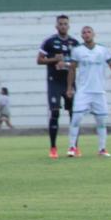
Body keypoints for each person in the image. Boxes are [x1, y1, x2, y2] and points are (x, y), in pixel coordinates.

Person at [65, 26, 111, 157]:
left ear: (94, 34)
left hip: (98, 91)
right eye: (84, 33)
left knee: (102, 121)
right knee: (76, 119)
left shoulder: (102, 50)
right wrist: (69, 88)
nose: (86, 34)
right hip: (83, 91)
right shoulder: (77, 51)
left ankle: (102, 149)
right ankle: (72, 147)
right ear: (81, 36)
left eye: (88, 32)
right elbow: (72, 69)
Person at [37, 14, 80, 158]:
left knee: (74, 114)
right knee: (55, 112)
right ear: (56, 26)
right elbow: (39, 60)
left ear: (69, 26)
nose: (63, 26)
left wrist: (66, 64)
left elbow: (78, 63)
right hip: (54, 83)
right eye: (60, 24)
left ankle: (74, 146)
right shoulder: (49, 42)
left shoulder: (75, 42)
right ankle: (53, 147)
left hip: (69, 82)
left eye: (65, 24)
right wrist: (54, 59)